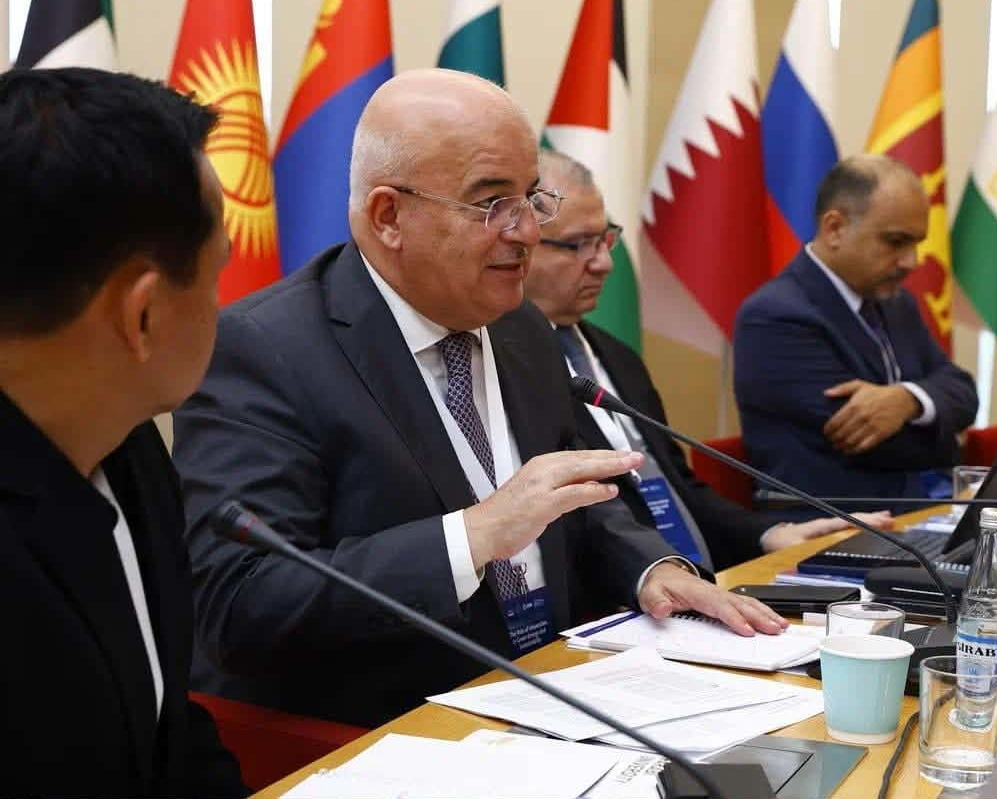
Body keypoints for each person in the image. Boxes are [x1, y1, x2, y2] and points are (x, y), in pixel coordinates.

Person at [173, 69, 785, 728]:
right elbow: (238, 601)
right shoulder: (267, 350)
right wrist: (474, 535)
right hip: (385, 733)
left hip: (561, 694)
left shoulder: (522, 327)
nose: (527, 232)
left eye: (531, 198)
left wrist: (651, 570)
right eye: (492, 203)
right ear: (388, 216)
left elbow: (569, 501)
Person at [0, 68, 245, 797]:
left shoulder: (129, 442)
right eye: (216, 275)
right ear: (143, 314)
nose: (224, 307)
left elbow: (169, 732)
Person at [523, 151, 883, 570]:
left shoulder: (619, 357)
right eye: (577, 245)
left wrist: (770, 534)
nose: (604, 263)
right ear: (520, 242)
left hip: (696, 579)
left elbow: (680, 488)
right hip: (620, 591)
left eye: (605, 240)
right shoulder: (504, 371)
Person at [733, 155, 978, 507]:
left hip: (920, 511)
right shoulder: (775, 316)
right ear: (835, 228)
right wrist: (944, 427)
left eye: (916, 243)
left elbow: (964, 390)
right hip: (832, 522)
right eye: (896, 241)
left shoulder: (898, 303)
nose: (911, 261)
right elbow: (877, 444)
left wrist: (908, 399)